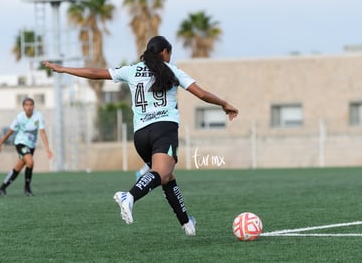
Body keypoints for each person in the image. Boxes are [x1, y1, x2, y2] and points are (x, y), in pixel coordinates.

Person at [43, 36, 239, 236]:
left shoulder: (132, 69)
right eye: (169, 54)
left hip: (141, 135)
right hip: (164, 129)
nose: (170, 58)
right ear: (164, 52)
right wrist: (224, 104)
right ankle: (129, 196)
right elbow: (202, 94)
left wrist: (64, 69)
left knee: (166, 176)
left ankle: (186, 222)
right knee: (161, 173)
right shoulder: (171, 70)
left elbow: (95, 73)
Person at [0, 98, 53, 197]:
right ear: (23, 107)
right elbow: (10, 132)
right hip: (20, 143)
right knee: (30, 162)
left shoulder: (38, 116)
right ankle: (27, 188)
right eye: (26, 105)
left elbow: (42, 133)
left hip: (31, 146)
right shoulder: (19, 118)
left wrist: (47, 149)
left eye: (31, 105)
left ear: (33, 106)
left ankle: (2, 188)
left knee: (18, 167)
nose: (29, 107)